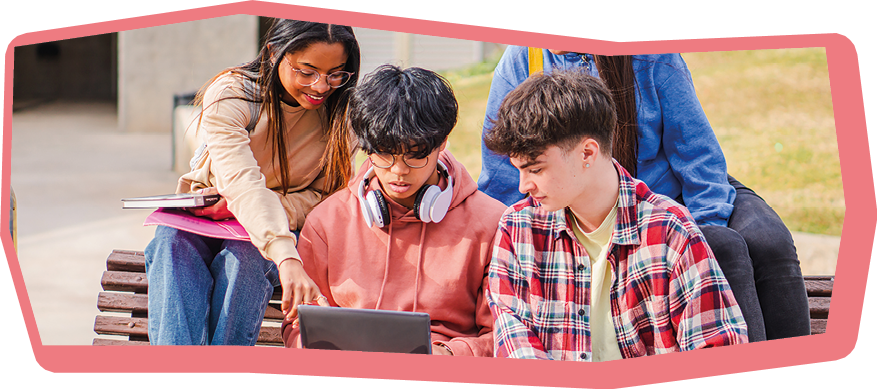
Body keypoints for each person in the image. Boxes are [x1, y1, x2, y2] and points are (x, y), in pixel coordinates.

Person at [478, 46, 811, 342]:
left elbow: (695, 151)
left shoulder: (650, 53)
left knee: (765, 242)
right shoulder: (521, 61)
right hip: (594, 201)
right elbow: (507, 176)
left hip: (680, 189)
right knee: (725, 248)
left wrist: (702, 226)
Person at [484, 70, 748, 361]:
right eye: (518, 170)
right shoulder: (517, 229)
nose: (523, 186)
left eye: (535, 169)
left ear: (587, 153)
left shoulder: (671, 232)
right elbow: (515, 345)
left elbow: (720, 351)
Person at [143, 19, 360, 345]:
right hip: (205, 218)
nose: (320, 86)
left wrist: (275, 223)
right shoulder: (233, 94)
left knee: (245, 257)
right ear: (274, 53)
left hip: (272, 234)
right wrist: (285, 254)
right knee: (171, 243)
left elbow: (327, 195)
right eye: (306, 71)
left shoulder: (341, 113)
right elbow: (242, 182)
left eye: (335, 73)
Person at [280, 65, 505, 357]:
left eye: (415, 155)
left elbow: (504, 334)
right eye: (384, 154)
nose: (398, 171)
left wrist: (451, 355)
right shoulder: (327, 222)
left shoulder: (492, 224)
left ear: (442, 143)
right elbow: (298, 325)